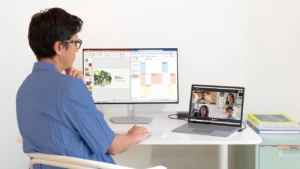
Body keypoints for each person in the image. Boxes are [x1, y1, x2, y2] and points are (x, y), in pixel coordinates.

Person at [16, 7, 151, 169]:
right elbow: (113, 146)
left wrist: (74, 86)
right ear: (59, 47)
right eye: (75, 43)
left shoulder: (25, 88)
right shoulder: (70, 87)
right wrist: (133, 136)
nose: (76, 49)